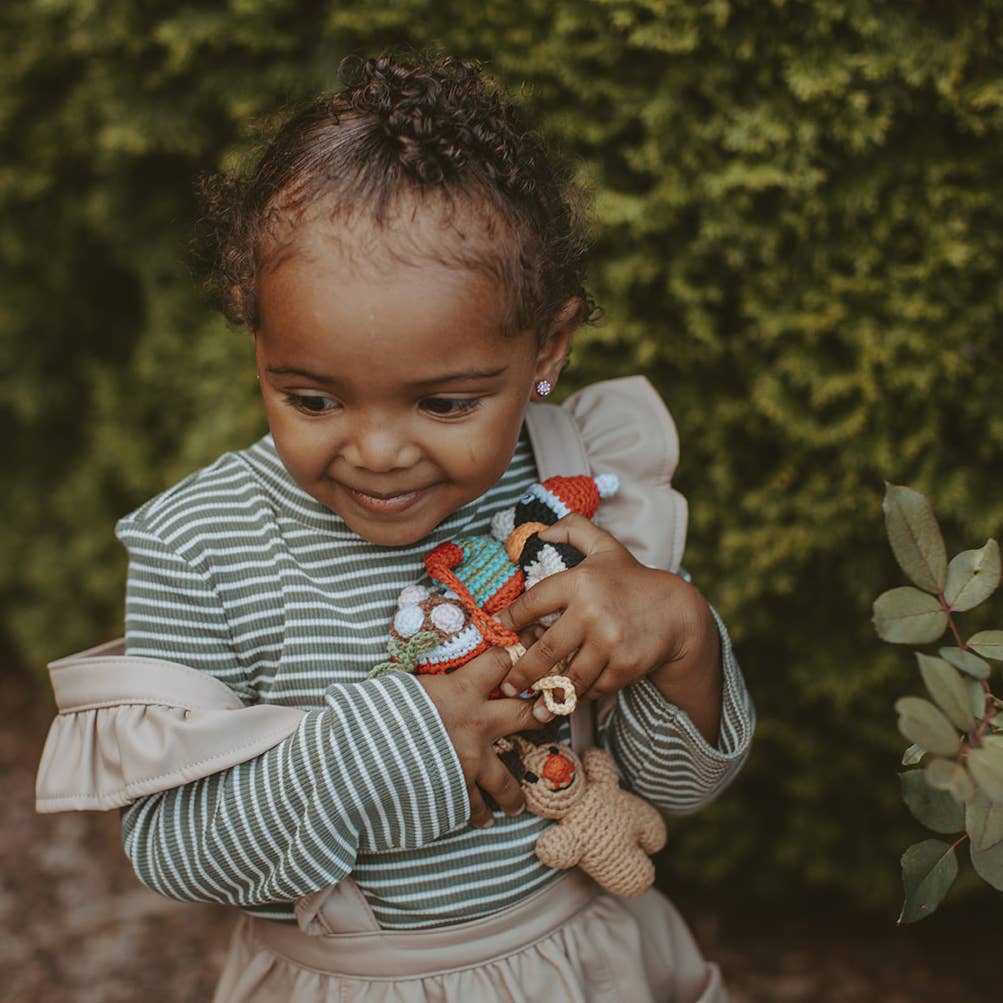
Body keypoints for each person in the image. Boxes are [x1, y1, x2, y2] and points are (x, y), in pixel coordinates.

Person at [47, 53, 754, 1001]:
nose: (377, 451)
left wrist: (680, 635)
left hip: (580, 961)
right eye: (312, 396)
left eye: (445, 403)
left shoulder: (564, 488)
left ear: (546, 346)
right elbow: (175, 848)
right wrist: (395, 738)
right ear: (251, 331)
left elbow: (668, 790)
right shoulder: (205, 544)